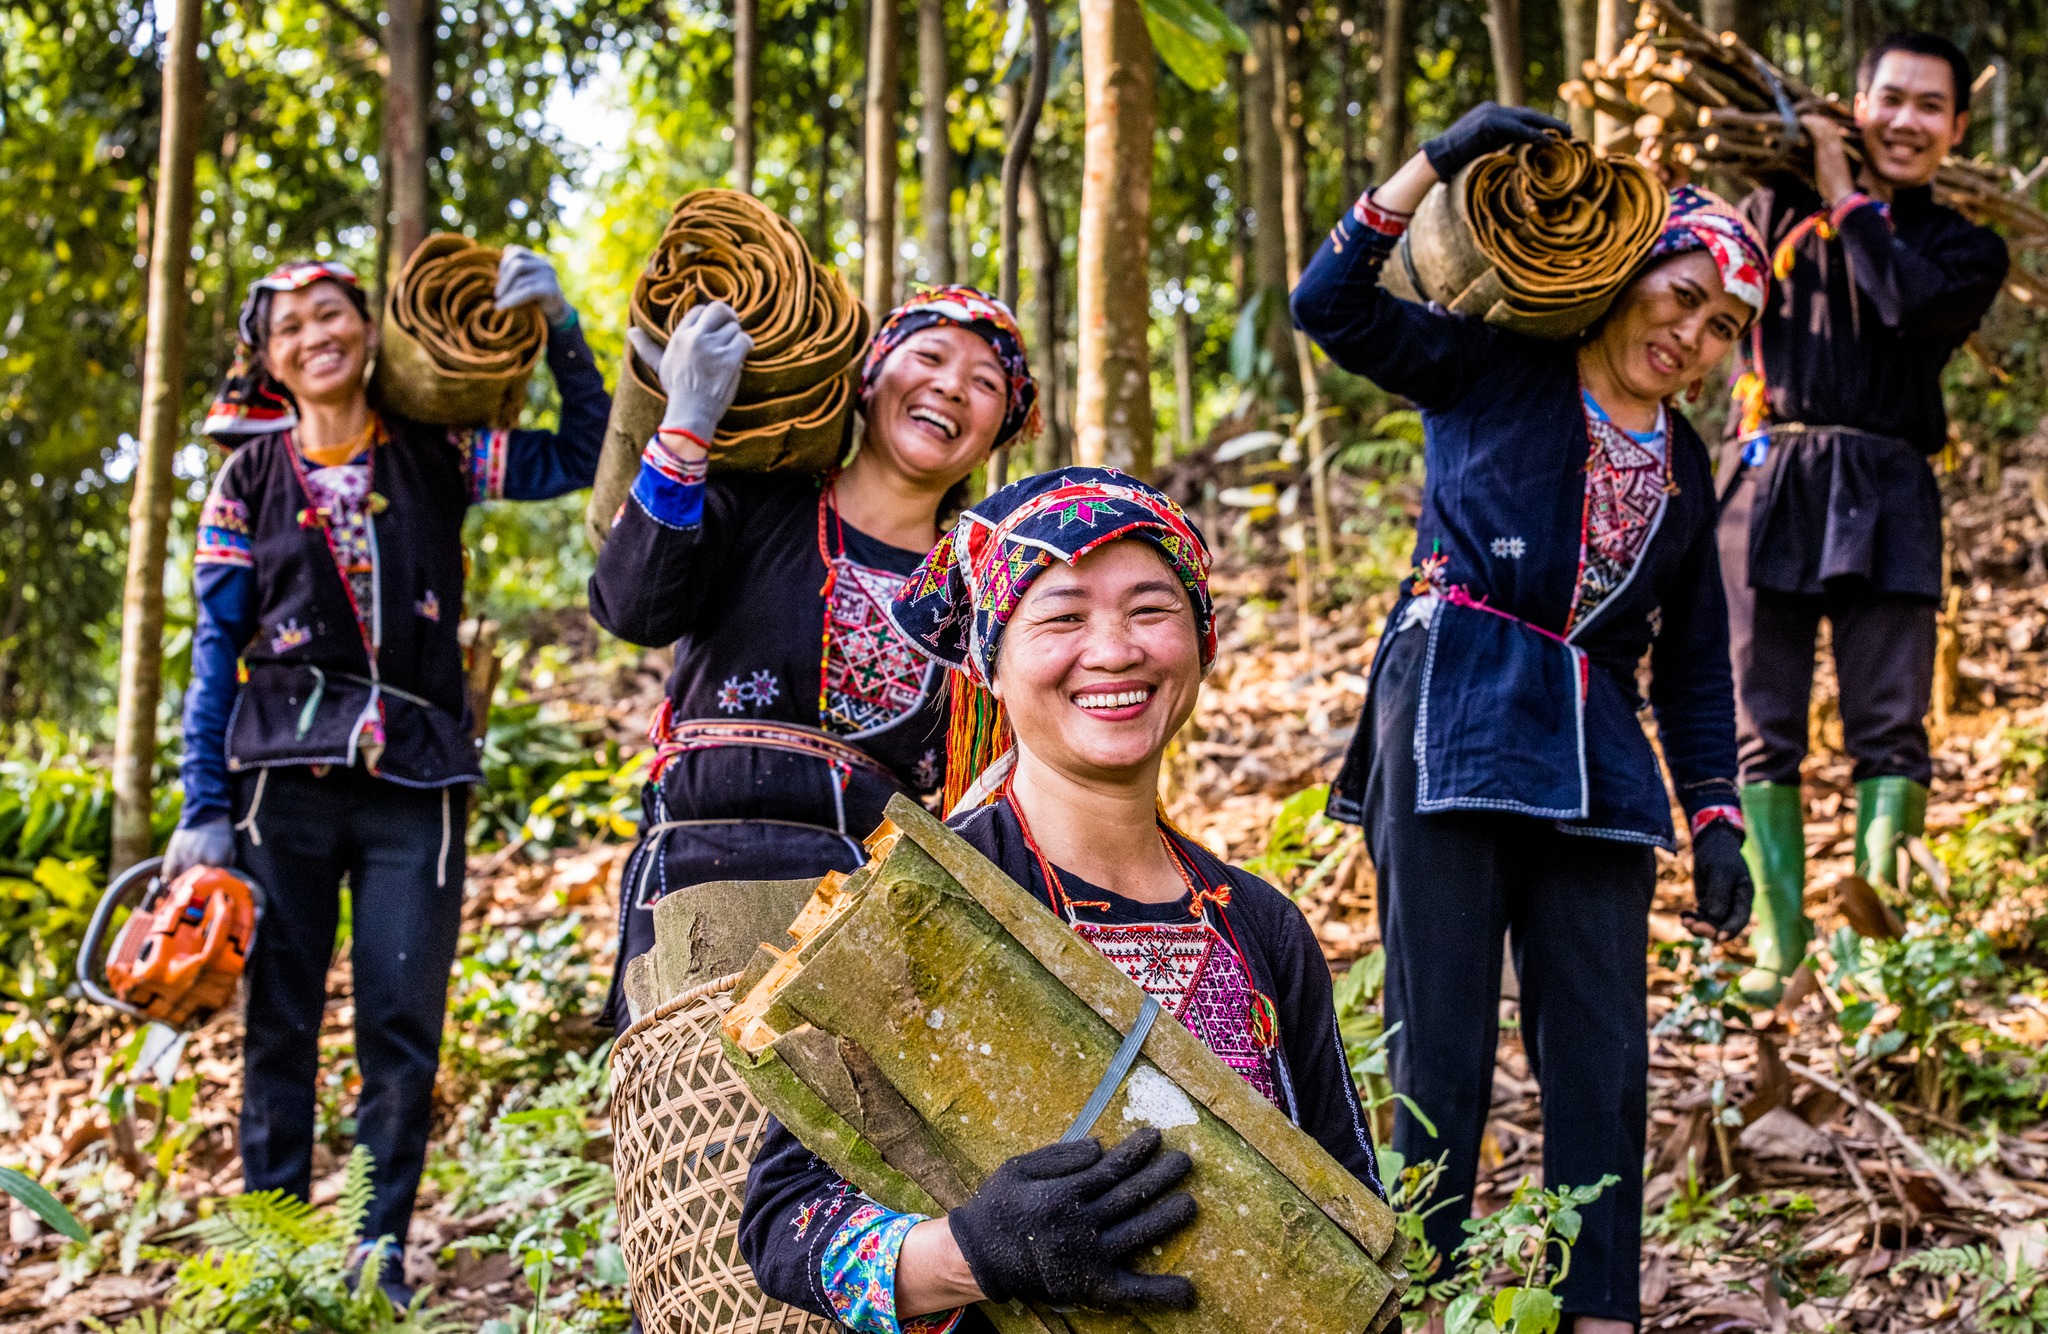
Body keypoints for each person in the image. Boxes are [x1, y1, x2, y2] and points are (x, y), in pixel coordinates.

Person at [1292, 103, 1765, 1331]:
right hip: (1451, 705)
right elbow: (1326, 305)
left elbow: (1692, 664)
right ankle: (1429, 1297)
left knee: (1602, 1055)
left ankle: (1599, 1309)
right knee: (1438, 1043)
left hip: (1597, 751)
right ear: (1624, 277)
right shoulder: (1493, 365)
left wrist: (1716, 817)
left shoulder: (1687, 464)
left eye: (1721, 327)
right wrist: (1436, 159)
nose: (1691, 334)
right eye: (1680, 295)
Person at [736, 468, 1385, 1333]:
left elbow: (1351, 1209)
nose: (1114, 650)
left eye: (1150, 609)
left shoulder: (1259, 925)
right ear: (993, 667)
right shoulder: (917, 909)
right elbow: (785, 1222)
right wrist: (974, 1253)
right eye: (1063, 617)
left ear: (1202, 644)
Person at [158, 251, 609, 1298]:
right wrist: (203, 807)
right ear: (268, 361)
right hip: (279, 782)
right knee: (279, 1022)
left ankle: (379, 1250)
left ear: (367, 331)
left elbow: (580, 454)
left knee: (401, 1021)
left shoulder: (439, 451)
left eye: (331, 314)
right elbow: (214, 654)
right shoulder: (244, 483)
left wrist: (562, 329)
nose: (314, 335)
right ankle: (273, 1252)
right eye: (289, 327)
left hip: (418, 778)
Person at [588, 286, 1041, 1027]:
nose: (952, 386)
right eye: (929, 356)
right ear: (870, 379)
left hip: (863, 912)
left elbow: (987, 799)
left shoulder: (982, 599)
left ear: (1002, 430)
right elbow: (630, 607)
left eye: (985, 382)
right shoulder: (756, 498)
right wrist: (687, 424)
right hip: (690, 874)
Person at [1717, 32, 2009, 1004]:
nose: (1906, 121)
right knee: (1760, 722)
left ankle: (1883, 955)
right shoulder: (1769, 211)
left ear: (1955, 128)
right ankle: (1778, 947)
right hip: (1770, 471)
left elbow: (1901, 305)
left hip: (1890, 486)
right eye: (1891, 98)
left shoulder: (1965, 248)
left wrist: (1847, 194)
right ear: (1855, 104)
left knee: (1890, 725)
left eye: (1930, 107)